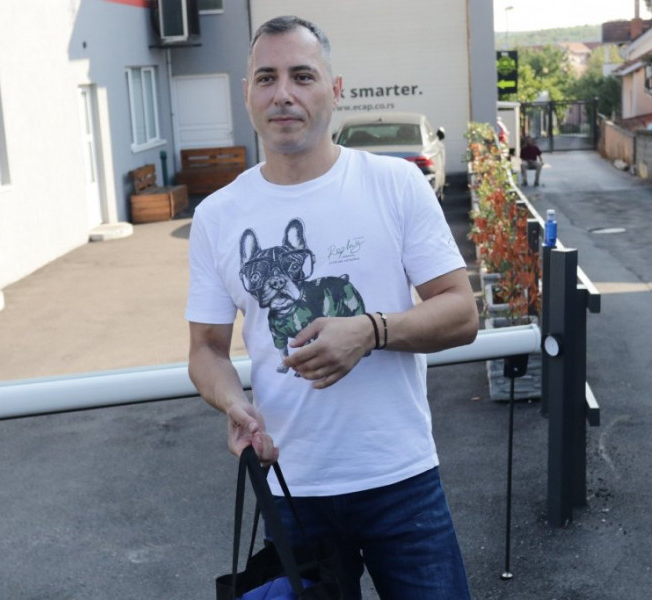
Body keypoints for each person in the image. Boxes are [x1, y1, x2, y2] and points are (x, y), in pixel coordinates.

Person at [185, 15, 478, 599]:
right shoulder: (218, 216)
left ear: (334, 89)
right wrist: (234, 403)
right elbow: (205, 350)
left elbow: (461, 313)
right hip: (291, 485)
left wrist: (370, 331)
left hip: (401, 479)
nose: (283, 94)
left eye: (302, 76)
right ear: (247, 93)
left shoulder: (395, 185)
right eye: (266, 78)